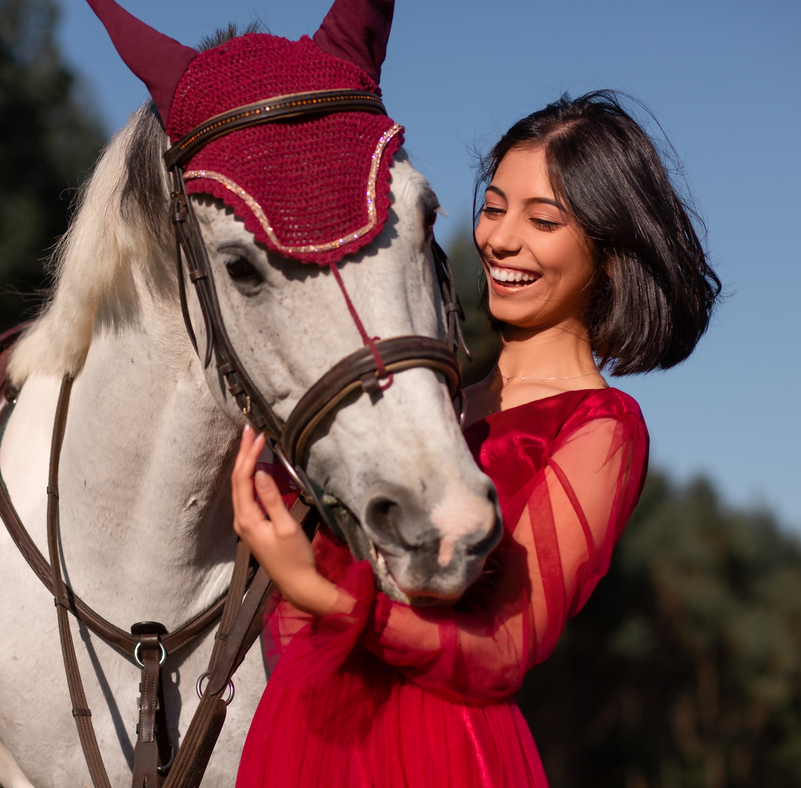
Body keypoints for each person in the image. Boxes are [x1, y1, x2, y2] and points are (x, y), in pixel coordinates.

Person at [231, 91, 721, 787]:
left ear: (610, 256)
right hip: (305, 731)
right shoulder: (426, 407)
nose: (498, 239)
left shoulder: (601, 428)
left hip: (439, 754)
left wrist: (323, 596)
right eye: (493, 207)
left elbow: (501, 652)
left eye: (542, 219)